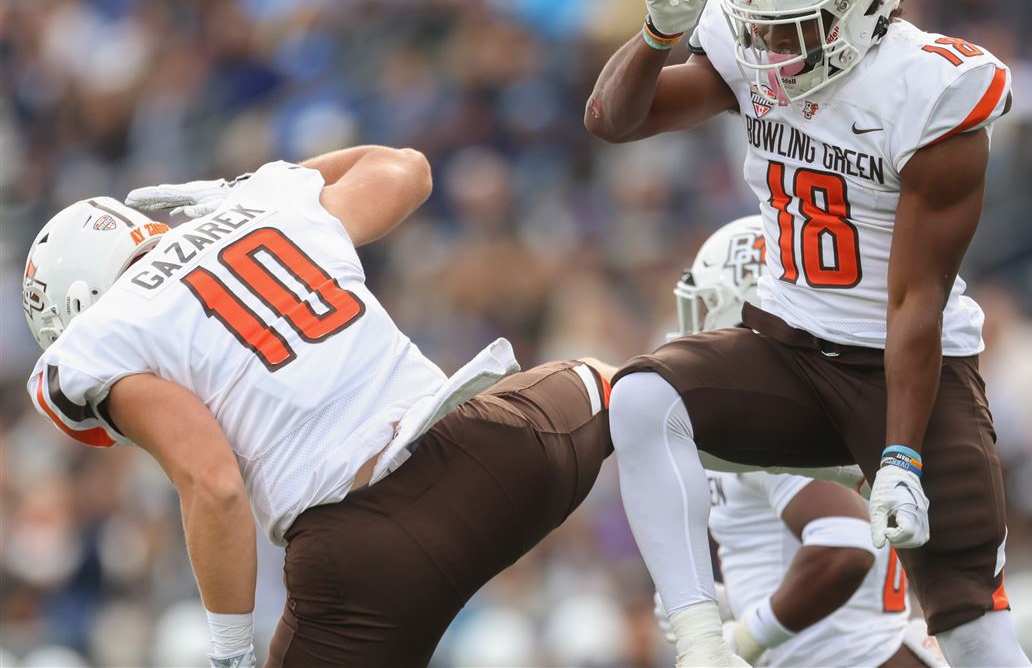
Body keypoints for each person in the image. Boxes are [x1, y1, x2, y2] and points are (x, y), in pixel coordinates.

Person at [585, 0, 1030, 668]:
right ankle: (702, 649)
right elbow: (613, 121)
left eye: (796, 29)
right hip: (787, 343)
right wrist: (656, 34)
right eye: (760, 30)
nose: (771, 54)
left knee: (974, 630)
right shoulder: (757, 51)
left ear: (863, 6)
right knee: (643, 396)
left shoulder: (932, 94)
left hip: (908, 365)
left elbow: (914, 297)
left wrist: (899, 458)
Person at [22, 146, 615, 668]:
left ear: (79, 307)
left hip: (366, 550)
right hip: (488, 450)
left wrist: (230, 652)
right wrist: (264, 185)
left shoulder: (100, 336)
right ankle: (700, 628)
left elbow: (214, 483)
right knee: (636, 386)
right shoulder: (269, 208)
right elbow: (406, 170)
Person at [658, 216, 944, 667]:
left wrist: (748, 635)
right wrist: (731, 602)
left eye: (708, 305)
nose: (693, 329)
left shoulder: (762, 416)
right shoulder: (819, 397)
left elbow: (845, 545)